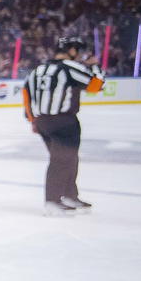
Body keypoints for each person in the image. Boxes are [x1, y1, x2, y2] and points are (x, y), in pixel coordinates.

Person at [24, 36, 104, 216]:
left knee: (67, 158)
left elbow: (26, 94)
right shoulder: (71, 67)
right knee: (62, 160)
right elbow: (95, 87)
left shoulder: (39, 69)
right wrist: (95, 67)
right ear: (72, 50)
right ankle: (53, 200)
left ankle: (69, 195)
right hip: (64, 121)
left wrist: (33, 121)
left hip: (42, 121)